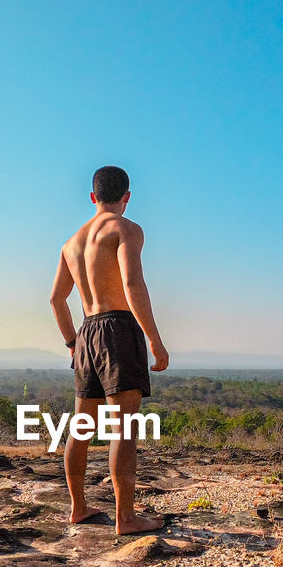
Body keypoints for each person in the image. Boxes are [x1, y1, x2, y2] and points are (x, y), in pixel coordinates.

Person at [50, 165, 169, 534]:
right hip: (118, 327)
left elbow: (56, 300)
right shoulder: (126, 229)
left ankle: (79, 508)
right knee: (125, 427)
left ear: (92, 197)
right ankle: (126, 518)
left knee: (81, 425)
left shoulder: (71, 243)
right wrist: (154, 339)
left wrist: (73, 343)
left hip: (87, 330)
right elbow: (133, 284)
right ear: (127, 197)